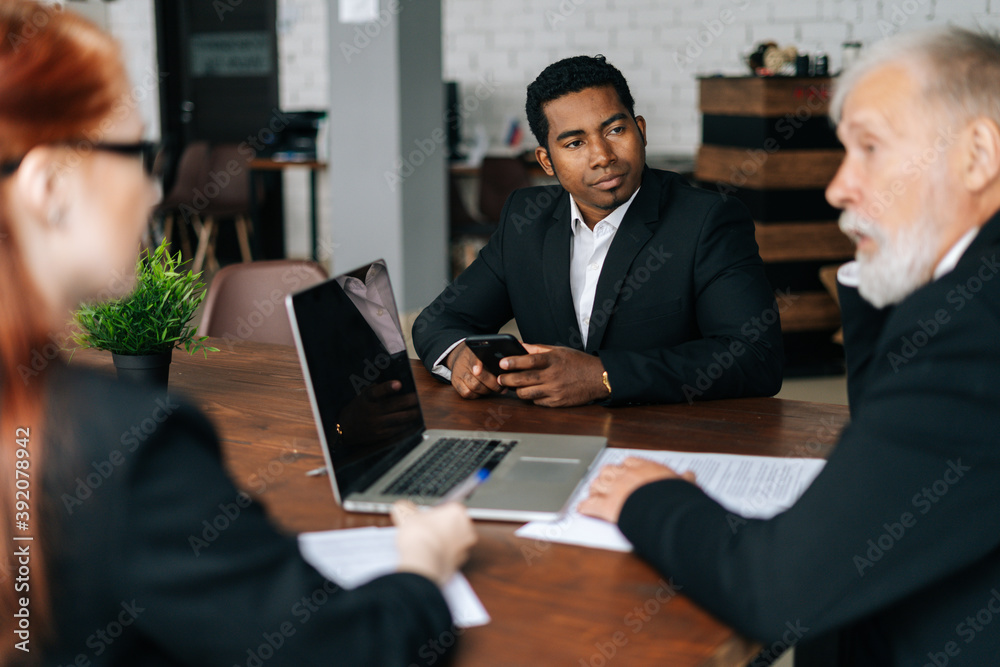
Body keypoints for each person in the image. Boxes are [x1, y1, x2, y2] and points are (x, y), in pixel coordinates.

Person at [0, 3, 475, 665]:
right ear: (50, 185)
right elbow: (343, 650)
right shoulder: (127, 447)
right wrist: (424, 571)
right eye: (140, 155)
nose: (151, 191)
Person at [579, 26, 1000, 666]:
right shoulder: (969, 294)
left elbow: (776, 591)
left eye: (870, 148)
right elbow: (890, 415)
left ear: (977, 155)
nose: (839, 187)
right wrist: (886, 262)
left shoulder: (975, 330)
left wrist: (647, 497)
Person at [413, 55, 783, 407]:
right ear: (546, 161)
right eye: (575, 143)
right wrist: (460, 355)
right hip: (553, 441)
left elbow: (755, 357)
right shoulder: (524, 221)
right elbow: (439, 320)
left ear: (640, 131)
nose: (602, 155)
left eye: (615, 130)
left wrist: (603, 376)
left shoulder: (708, 220)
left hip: (668, 440)